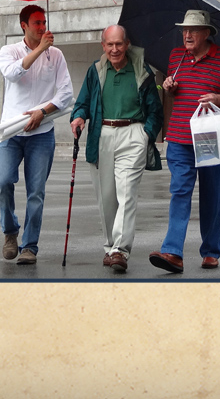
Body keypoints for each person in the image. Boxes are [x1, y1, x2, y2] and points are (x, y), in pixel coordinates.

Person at [149, 9, 220, 273]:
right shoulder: (176, 56)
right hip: (179, 135)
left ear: (206, 33)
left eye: (192, 30)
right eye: (184, 30)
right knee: (179, 191)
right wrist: (169, 86)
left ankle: (211, 251)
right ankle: (173, 252)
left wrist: (218, 98)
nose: (186, 35)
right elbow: (174, 89)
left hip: (209, 137)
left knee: (212, 195)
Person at [70, 25, 163, 272]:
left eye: (119, 44)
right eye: (109, 44)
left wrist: (145, 134)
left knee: (127, 192)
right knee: (106, 197)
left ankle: (120, 251)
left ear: (127, 44)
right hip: (102, 134)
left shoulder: (142, 70)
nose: (114, 49)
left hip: (133, 133)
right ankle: (110, 246)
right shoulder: (96, 70)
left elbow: (155, 110)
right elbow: (83, 103)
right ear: (103, 46)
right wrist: (78, 117)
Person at [0, 4, 73, 265]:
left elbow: (65, 94)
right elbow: (13, 74)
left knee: (36, 192)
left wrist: (42, 111)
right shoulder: (9, 51)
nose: (42, 27)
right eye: (36, 23)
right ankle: (10, 231)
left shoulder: (57, 56)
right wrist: (40, 50)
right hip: (11, 131)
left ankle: (30, 246)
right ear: (23, 26)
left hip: (42, 131)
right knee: (3, 182)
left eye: (43, 22)